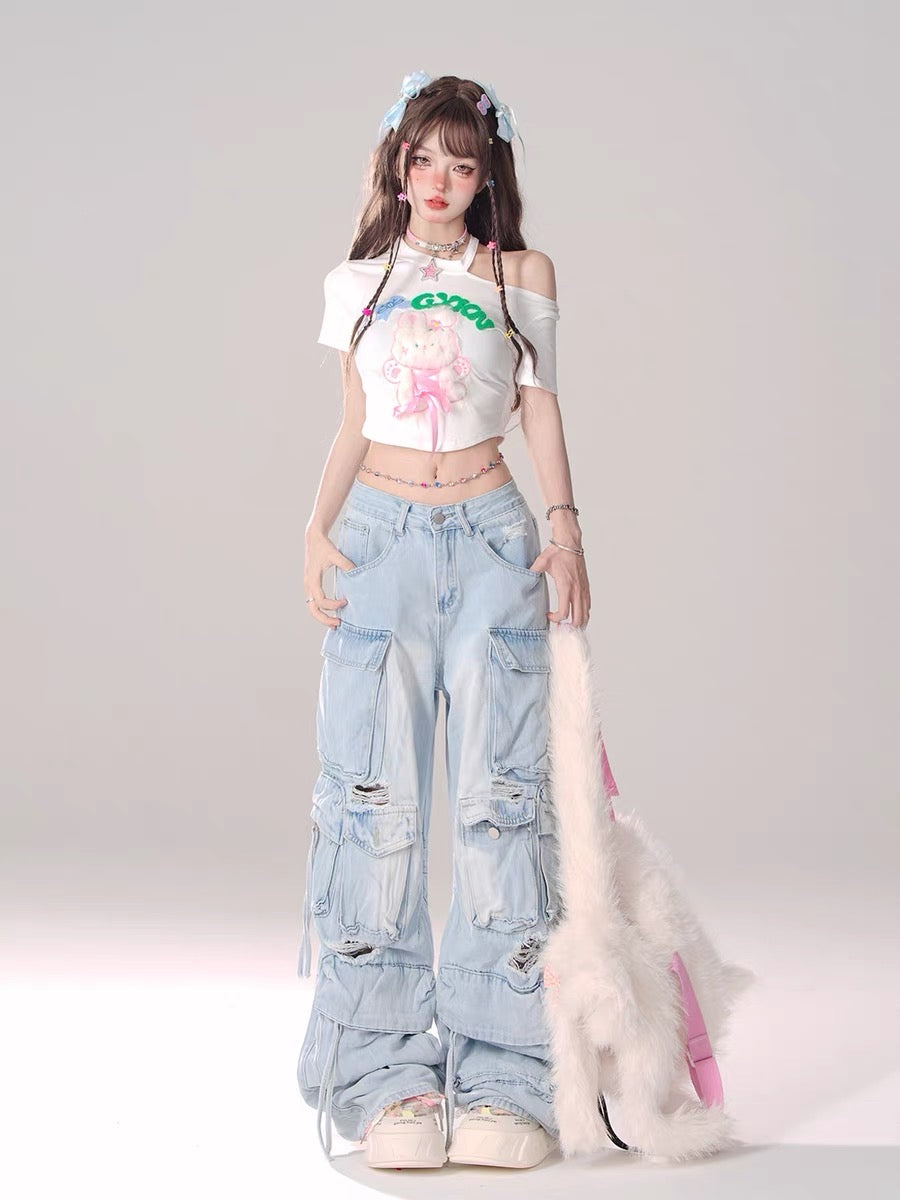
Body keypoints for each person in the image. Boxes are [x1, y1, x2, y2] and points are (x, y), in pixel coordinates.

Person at [295, 71, 590, 1171]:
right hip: (381, 539)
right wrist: (316, 531)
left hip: (494, 537)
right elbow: (353, 421)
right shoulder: (358, 280)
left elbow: (540, 409)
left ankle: (510, 1077)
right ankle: (385, 1079)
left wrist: (564, 529)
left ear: (486, 175)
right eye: (423, 159)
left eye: (462, 164)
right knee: (374, 804)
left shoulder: (520, 275)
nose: (439, 181)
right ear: (397, 163)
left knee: (499, 805)